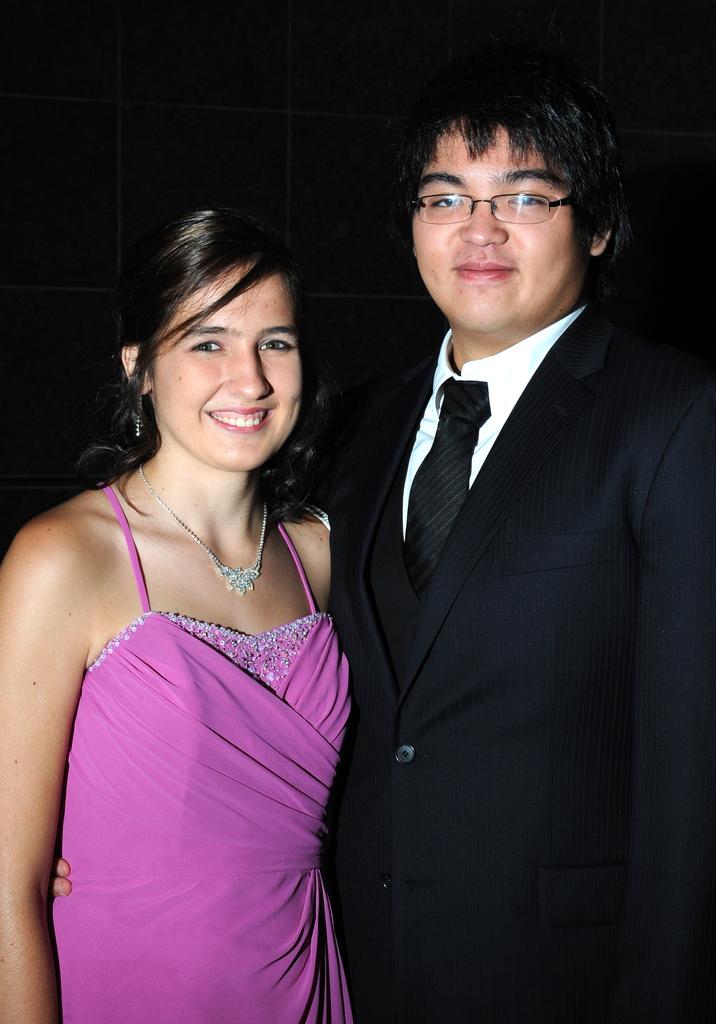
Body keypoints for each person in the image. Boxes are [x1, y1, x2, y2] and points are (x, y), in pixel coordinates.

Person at [323, 44, 716, 1022]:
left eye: (524, 198)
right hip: (356, 971)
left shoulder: (680, 424)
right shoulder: (356, 424)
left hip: (568, 981)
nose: (478, 231)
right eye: (446, 198)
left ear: (600, 226)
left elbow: (713, 800)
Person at [0, 208, 353, 1023]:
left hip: (304, 978)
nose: (251, 379)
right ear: (141, 367)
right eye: (207, 342)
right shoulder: (65, 559)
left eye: (277, 342)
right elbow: (9, 888)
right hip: (130, 981)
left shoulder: (322, 556)